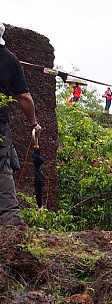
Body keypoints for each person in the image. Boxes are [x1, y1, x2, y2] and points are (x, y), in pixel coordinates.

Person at [0, 21, 41, 226]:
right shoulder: (10, 59)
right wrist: (33, 122)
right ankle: (11, 220)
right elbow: (24, 97)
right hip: (0, 125)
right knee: (2, 168)